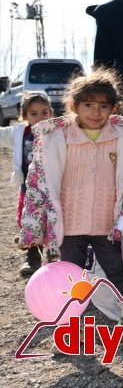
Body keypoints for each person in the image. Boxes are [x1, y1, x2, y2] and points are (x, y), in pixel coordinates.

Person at [18, 69, 123, 321]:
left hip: (107, 223)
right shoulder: (56, 137)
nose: (96, 112)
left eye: (104, 106)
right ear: (73, 106)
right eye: (88, 105)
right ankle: (68, 319)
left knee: (117, 269)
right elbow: (37, 183)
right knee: (68, 274)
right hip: (68, 224)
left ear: (114, 108)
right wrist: (32, 227)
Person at [0, 92, 52, 275]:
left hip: (54, 190)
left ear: (51, 113)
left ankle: (53, 259)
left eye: (44, 112)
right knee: (30, 223)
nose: (40, 117)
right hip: (29, 190)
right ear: (24, 116)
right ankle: (32, 259)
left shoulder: (58, 131)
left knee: (54, 223)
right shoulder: (19, 133)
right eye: (34, 113)